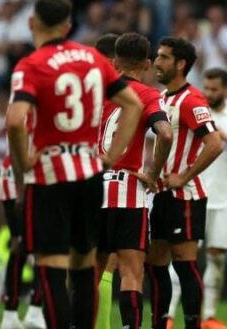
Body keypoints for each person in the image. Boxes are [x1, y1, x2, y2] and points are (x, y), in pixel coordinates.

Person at [5, 1, 144, 328]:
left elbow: (14, 121)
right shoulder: (94, 59)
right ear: (68, 27)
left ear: (31, 23)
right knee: (85, 266)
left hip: (51, 174)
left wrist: (23, 163)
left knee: (52, 266)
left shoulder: (31, 65)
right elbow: (133, 104)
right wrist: (112, 155)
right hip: (90, 172)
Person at [165, 67, 227, 329]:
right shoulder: (194, 111)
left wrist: (226, 137)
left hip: (225, 199)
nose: (209, 93)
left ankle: (208, 317)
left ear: (226, 90)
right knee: (183, 256)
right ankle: (169, 315)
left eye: (215, 89)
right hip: (193, 194)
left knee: (217, 258)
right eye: (206, 87)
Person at [144, 36, 223, 329]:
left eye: (163, 57)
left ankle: (192, 325)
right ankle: (160, 323)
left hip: (186, 196)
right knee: (155, 263)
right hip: (161, 194)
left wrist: (184, 176)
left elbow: (215, 144)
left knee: (185, 265)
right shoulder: (162, 98)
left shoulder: (192, 100)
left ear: (180, 64)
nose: (157, 62)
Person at [96, 32, 173, 329]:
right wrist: (153, 173)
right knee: (131, 272)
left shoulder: (97, 92)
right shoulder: (147, 94)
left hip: (93, 189)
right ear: (148, 63)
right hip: (128, 190)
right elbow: (165, 133)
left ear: (114, 62)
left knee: (92, 270)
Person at [0, 156, 45, 329]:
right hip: (24, 177)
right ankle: (31, 310)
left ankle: (15, 314)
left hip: (15, 175)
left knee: (21, 245)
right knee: (36, 247)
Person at [92, 32, 119, 329]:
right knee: (108, 264)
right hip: (110, 182)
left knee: (82, 264)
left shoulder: (84, 90)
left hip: (77, 180)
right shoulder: (123, 93)